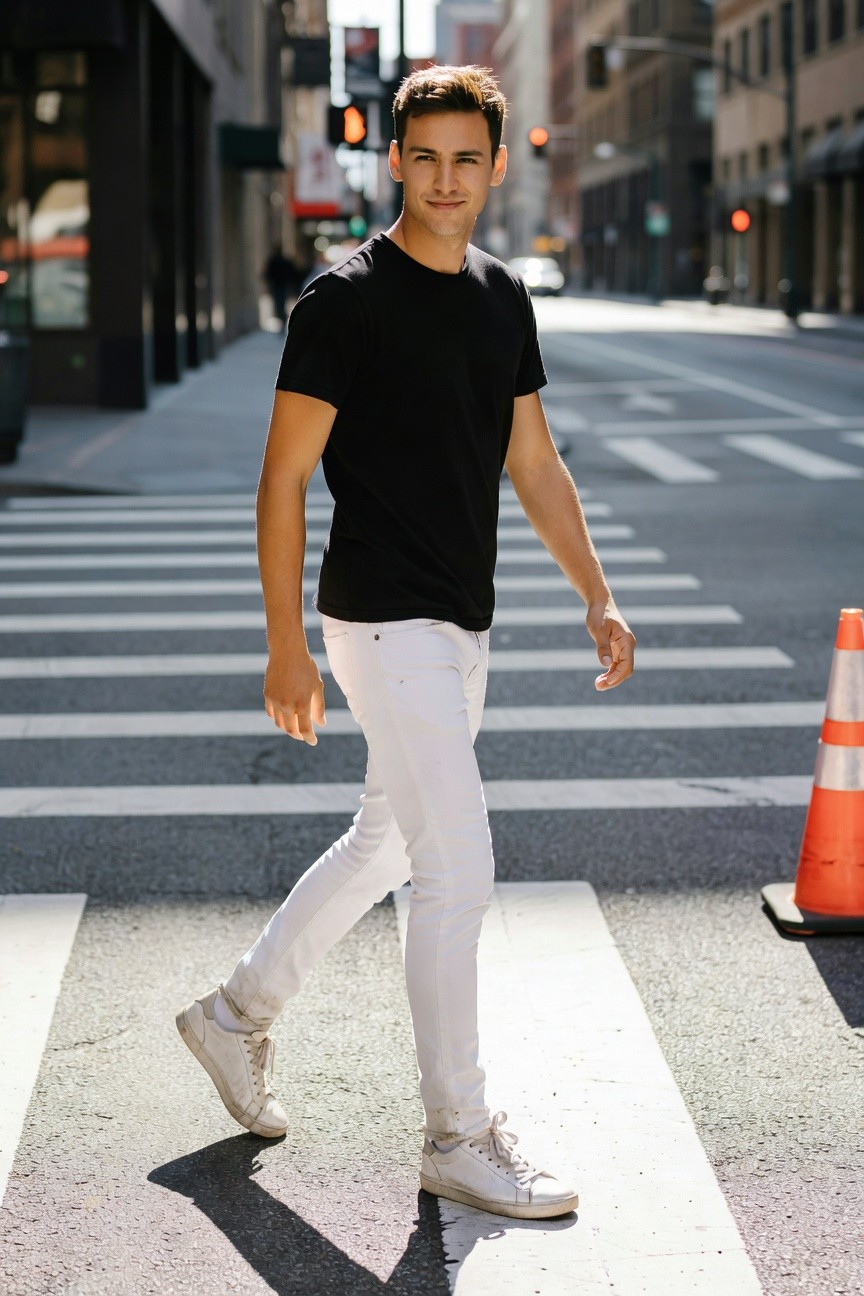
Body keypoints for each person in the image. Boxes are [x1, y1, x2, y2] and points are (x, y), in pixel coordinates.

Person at [177, 64, 635, 1222]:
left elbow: (533, 461)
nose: (445, 179)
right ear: (395, 161)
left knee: (387, 842)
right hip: (380, 620)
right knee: (457, 865)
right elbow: (282, 482)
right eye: (423, 157)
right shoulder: (343, 303)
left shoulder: (500, 295)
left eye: (465, 159)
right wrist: (286, 644)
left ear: (493, 166)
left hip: (460, 619)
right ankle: (458, 1132)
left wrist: (597, 590)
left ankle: (234, 1018)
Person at [262, 244, 298, 327]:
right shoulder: (277, 261)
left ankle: (283, 320)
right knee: (280, 304)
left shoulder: (277, 261)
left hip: (279, 286)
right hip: (279, 286)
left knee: (280, 304)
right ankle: (283, 320)